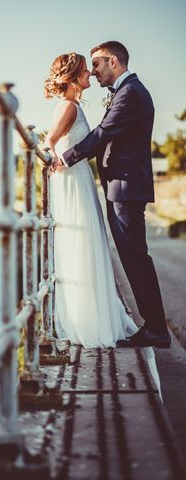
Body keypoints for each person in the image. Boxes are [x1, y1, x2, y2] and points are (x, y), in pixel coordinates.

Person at [54, 41, 169, 349]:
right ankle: (154, 326)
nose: (93, 71)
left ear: (114, 62)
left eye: (97, 64)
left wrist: (65, 158)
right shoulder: (126, 92)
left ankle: (157, 329)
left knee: (135, 257)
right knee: (133, 256)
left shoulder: (130, 93)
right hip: (122, 185)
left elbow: (103, 133)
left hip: (126, 187)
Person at [43, 51, 138, 348]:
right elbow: (49, 143)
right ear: (72, 78)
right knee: (81, 244)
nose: (90, 75)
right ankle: (86, 321)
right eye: (86, 71)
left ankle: (92, 316)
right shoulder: (68, 107)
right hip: (72, 181)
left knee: (89, 245)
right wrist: (56, 163)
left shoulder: (74, 106)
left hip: (80, 178)